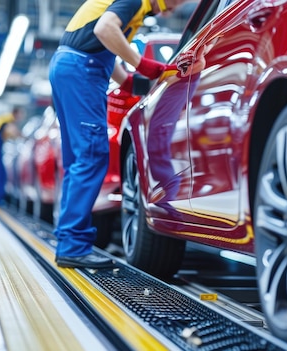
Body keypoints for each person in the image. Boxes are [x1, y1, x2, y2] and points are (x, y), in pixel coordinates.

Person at [48, 0, 188, 269]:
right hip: (81, 70)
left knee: (78, 161)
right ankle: (73, 246)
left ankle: (68, 241)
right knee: (91, 156)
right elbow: (105, 30)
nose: (177, 7)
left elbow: (104, 46)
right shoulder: (134, 0)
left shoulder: (135, 9)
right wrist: (144, 65)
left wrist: (129, 81)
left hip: (72, 66)